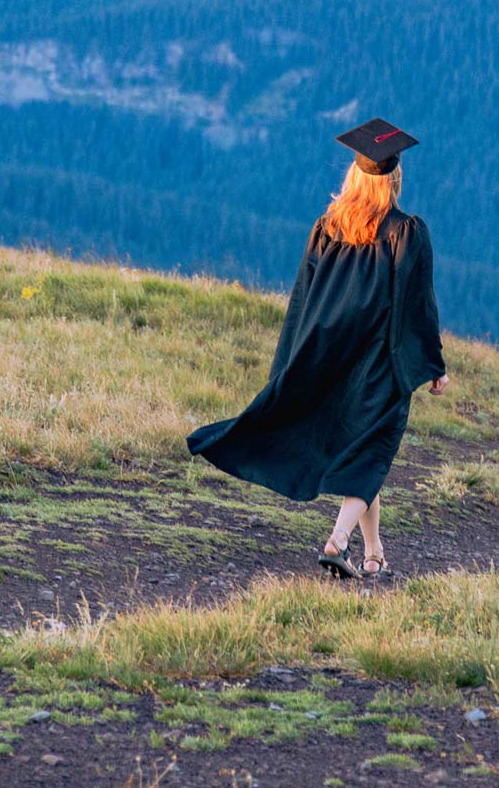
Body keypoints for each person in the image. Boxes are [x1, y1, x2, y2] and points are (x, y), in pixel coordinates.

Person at [186, 117, 448, 581]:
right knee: (373, 451)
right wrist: (433, 365)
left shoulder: (328, 225)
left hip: (330, 354)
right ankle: (336, 541)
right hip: (380, 362)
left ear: (354, 175)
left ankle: (373, 553)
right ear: (395, 179)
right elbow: (417, 305)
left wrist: (293, 361)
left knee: (363, 451)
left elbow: (303, 297)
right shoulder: (406, 232)